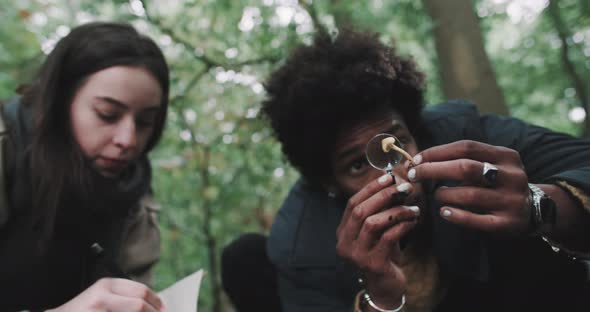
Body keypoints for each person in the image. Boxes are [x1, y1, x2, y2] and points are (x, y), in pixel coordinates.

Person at [224, 28, 590, 312]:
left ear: (415, 129)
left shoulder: (467, 134)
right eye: (356, 165)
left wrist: (541, 205)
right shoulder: (299, 244)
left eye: (395, 144)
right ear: (328, 183)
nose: (393, 178)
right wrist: (379, 299)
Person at [0, 22, 169, 312]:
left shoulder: (132, 192)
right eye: (107, 114)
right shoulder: (7, 149)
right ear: (60, 102)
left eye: (144, 122)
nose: (127, 140)